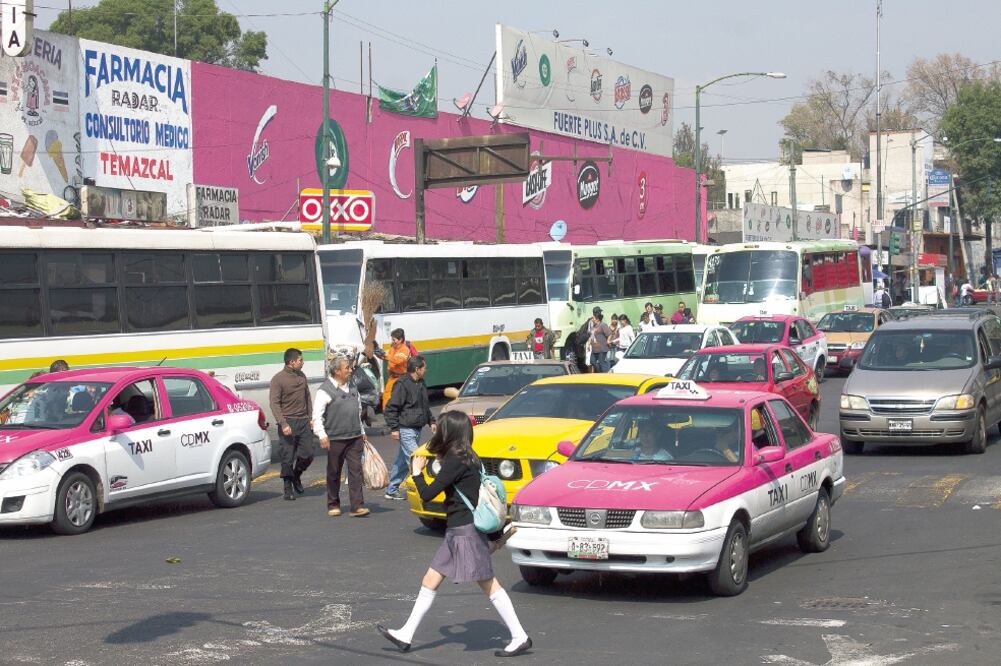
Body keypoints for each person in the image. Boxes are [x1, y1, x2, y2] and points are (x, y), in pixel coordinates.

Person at [377, 410, 532, 657]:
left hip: (465, 532)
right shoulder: (470, 457)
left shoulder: (455, 460)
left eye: (440, 427)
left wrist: (416, 473)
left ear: (450, 431)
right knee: (430, 580)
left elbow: (427, 494)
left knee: (489, 583)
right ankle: (405, 633)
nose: (436, 431)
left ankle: (519, 635)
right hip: (457, 531)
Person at [312, 355, 370, 518]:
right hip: (335, 438)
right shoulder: (325, 390)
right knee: (334, 471)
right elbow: (317, 415)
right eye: (347, 368)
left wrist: (362, 431)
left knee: (355, 471)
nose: (351, 370)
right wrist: (322, 435)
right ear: (337, 371)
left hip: (355, 437)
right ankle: (333, 504)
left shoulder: (352, 386)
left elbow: (358, 411)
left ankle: (357, 506)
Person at [384, 356, 436, 501]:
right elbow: (391, 408)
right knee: (416, 458)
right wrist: (394, 428)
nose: (426, 370)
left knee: (402, 462)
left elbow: (424, 405)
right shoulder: (402, 384)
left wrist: (431, 421)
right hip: (406, 429)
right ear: (417, 369)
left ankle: (391, 489)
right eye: (424, 368)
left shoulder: (421, 383)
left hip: (417, 429)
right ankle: (425, 491)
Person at [269, 348, 314, 501]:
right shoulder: (278, 379)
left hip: (303, 421)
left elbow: (307, 397)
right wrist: (283, 423)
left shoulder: (302, 376)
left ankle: (297, 475)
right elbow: (274, 403)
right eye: (300, 360)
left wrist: (311, 418)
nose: (303, 362)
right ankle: (288, 487)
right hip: (288, 422)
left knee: (308, 454)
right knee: (287, 457)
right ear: (291, 362)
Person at [381, 328, 412, 410]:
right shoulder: (393, 348)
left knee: (398, 399)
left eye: (393, 339)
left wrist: (386, 356)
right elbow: (388, 357)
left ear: (400, 339)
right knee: (387, 396)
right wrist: (379, 354)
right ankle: (387, 414)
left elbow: (398, 361)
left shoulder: (405, 350)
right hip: (392, 377)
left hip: (400, 379)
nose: (392, 341)